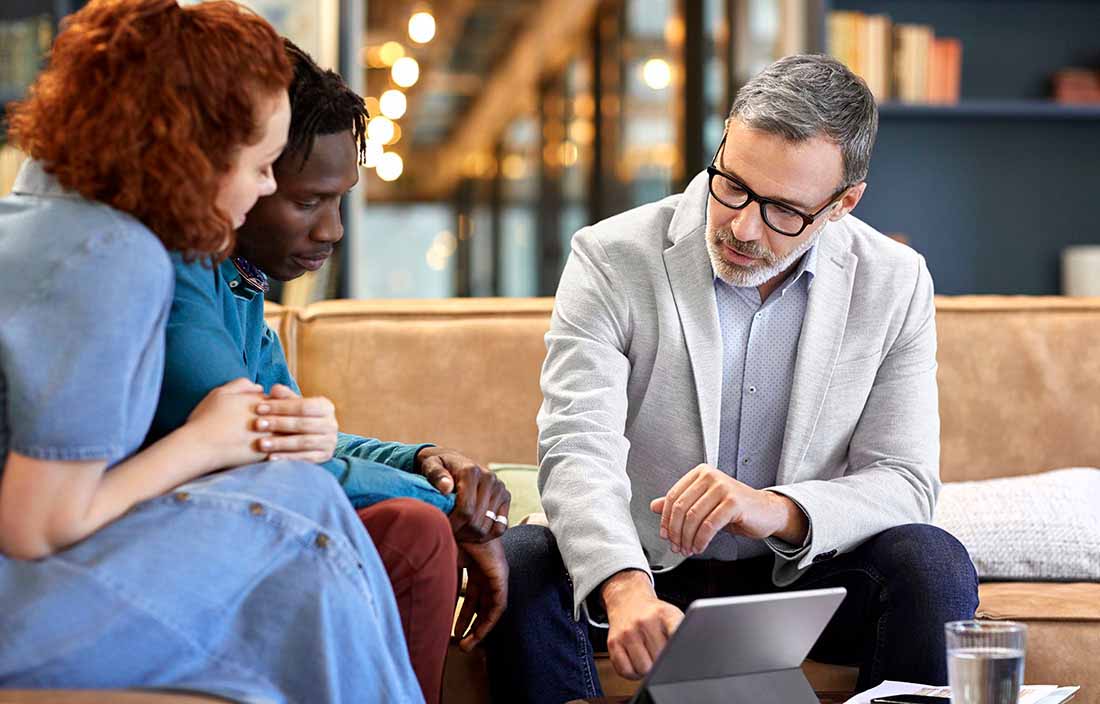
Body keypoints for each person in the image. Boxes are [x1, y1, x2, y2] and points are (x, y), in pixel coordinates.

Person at [484, 54, 979, 703]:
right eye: (733, 185)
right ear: (720, 148)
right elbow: (578, 450)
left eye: (783, 211)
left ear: (843, 203)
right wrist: (625, 585)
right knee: (522, 562)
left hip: (802, 579)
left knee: (932, 561)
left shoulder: (895, 280)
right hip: (646, 573)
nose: (743, 227)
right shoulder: (610, 258)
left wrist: (772, 508)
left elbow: (906, 482)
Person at [0, 2, 422, 702]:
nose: (263, 187)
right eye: (260, 165)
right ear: (190, 150)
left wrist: (277, 435)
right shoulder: (115, 256)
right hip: (20, 597)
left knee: (293, 499)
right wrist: (206, 441)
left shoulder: (37, 218)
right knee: (300, 513)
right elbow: (36, 520)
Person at [149, 40, 510, 704]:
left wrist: (421, 461)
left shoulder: (238, 281)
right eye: (309, 199)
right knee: (417, 533)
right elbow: (264, 456)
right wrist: (451, 506)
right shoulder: (173, 278)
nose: (335, 229)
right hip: (164, 543)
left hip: (229, 521)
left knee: (414, 526)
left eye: (341, 199)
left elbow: (301, 442)